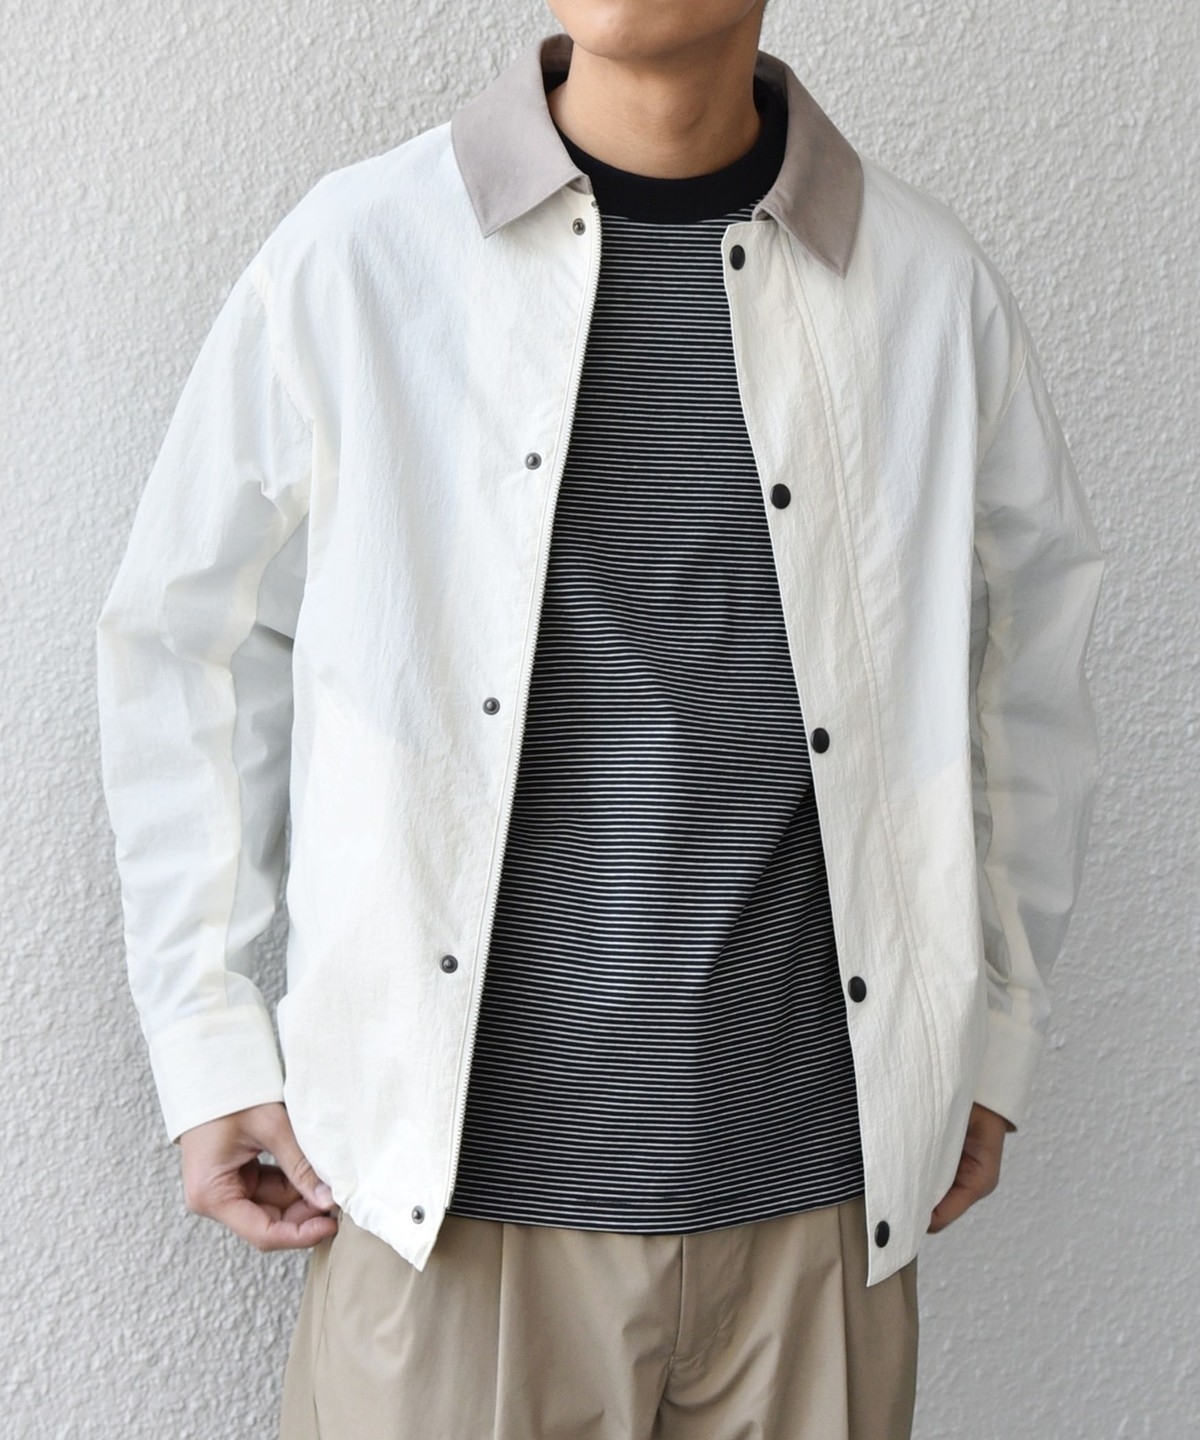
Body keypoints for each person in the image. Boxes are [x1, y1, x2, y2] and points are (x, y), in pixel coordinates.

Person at [94, 3, 1106, 1437]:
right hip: (446, 1220)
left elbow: (1030, 666)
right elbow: (184, 641)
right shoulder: (360, 255)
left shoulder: (925, 288)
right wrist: (206, 1037)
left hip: (816, 1221)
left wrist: (998, 1034)